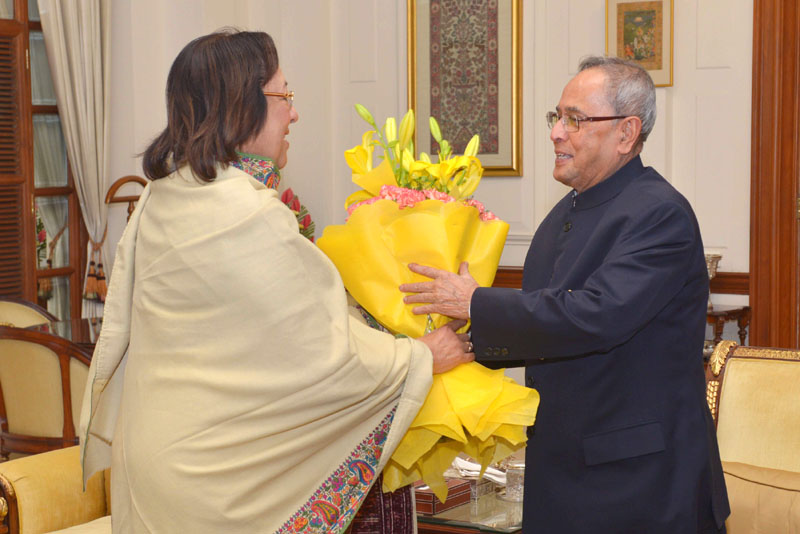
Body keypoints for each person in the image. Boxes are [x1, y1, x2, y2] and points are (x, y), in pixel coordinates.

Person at [78, 29, 474, 533]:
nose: (294, 113)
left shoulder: (163, 198)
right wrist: (421, 356)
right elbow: (327, 359)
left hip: (159, 464)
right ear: (241, 104)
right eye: (284, 95)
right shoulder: (246, 213)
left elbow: (249, 352)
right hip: (220, 484)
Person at [400, 56, 730, 533]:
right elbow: (548, 331)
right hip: (564, 470)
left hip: (639, 483)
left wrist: (475, 303)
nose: (556, 132)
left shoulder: (660, 214)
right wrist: (459, 342)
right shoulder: (561, 217)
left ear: (625, 133)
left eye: (575, 119)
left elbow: (596, 316)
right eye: (557, 117)